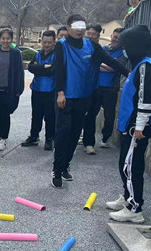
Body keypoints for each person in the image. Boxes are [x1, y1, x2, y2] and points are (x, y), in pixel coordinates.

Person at [51, 14, 129, 189]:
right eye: (76, 26)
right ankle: (56, 169)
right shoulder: (61, 46)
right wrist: (60, 93)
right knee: (63, 133)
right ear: (68, 27)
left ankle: (65, 165)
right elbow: (59, 72)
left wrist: (129, 73)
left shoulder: (91, 46)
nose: (79, 30)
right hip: (66, 97)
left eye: (82, 26)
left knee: (74, 133)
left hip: (84, 97)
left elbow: (110, 61)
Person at [106, 25, 151, 223]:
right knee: (126, 162)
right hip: (131, 124)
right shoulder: (143, 65)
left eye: (126, 45)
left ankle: (134, 207)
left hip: (136, 127)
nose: (124, 50)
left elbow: (146, 99)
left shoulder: (146, 67)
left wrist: (139, 126)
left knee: (131, 165)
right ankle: (128, 197)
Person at [87, 28, 126, 150]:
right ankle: (88, 139)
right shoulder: (103, 49)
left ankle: (105, 138)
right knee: (91, 114)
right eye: (114, 36)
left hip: (111, 89)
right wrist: (108, 65)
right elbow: (94, 64)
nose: (115, 39)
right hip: (97, 87)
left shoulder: (123, 53)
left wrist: (102, 65)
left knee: (109, 117)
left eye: (118, 38)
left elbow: (116, 68)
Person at [21, 30, 56, 150]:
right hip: (36, 89)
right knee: (36, 115)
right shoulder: (37, 54)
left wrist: (38, 68)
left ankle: (49, 139)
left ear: (54, 42)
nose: (46, 45)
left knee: (50, 116)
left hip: (50, 90)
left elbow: (53, 70)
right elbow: (30, 67)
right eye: (44, 42)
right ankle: (34, 136)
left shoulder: (56, 55)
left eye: (49, 42)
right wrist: (42, 67)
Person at [82, 23, 103, 155]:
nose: (90, 36)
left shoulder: (98, 49)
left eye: (93, 34)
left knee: (90, 117)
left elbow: (110, 62)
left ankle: (89, 143)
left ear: (98, 36)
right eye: (88, 33)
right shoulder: (80, 48)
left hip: (95, 88)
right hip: (79, 88)